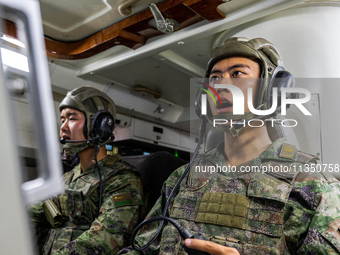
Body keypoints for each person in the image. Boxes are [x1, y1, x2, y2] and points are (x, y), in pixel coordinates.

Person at [118, 37, 340, 254]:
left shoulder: (311, 184)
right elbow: (142, 248)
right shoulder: (183, 178)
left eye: (238, 74)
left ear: (271, 90)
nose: (221, 86)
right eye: (215, 78)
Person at [29, 86, 145, 254]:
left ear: (99, 126)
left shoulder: (123, 180)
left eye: (72, 118)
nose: (63, 128)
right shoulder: (66, 179)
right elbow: (32, 217)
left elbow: (106, 238)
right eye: (62, 120)